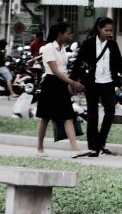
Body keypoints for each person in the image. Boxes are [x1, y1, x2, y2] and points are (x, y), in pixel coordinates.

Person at [72, 17, 122, 158]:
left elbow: (119, 64)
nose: (109, 33)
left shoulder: (113, 45)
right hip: (92, 83)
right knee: (93, 115)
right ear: (99, 29)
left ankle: (100, 141)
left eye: (111, 30)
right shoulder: (88, 44)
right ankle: (93, 147)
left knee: (110, 111)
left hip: (108, 82)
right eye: (106, 30)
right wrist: (72, 81)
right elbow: (78, 63)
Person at [35, 23, 85, 155]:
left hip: (62, 84)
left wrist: (70, 84)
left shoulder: (63, 49)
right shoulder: (48, 48)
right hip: (51, 84)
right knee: (45, 117)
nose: (70, 35)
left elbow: (63, 71)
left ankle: (74, 148)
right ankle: (40, 147)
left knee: (68, 115)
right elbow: (55, 71)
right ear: (59, 34)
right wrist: (73, 83)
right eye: (68, 33)